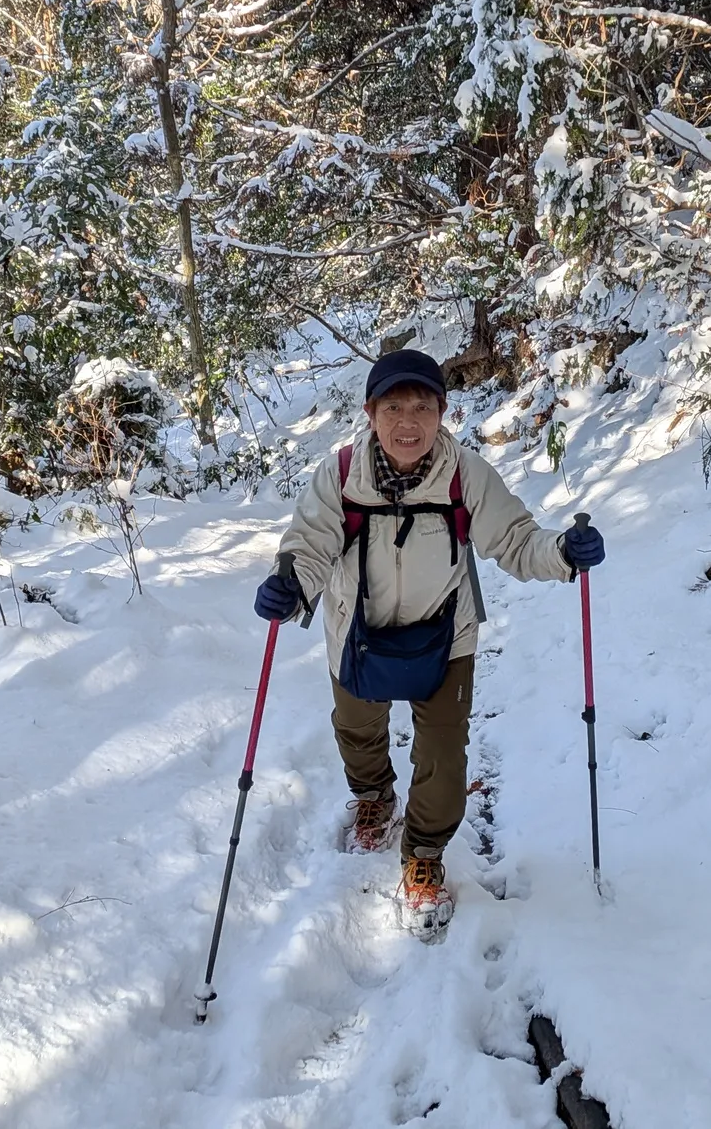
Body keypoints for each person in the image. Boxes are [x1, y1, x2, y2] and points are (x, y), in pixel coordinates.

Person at [252, 348, 605, 933]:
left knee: (443, 757)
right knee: (358, 733)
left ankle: (422, 855)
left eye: (423, 405)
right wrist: (291, 586)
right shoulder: (340, 476)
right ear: (371, 414)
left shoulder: (465, 475)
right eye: (394, 406)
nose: (409, 421)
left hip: (446, 635)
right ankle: (374, 797)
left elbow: (516, 541)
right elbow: (309, 547)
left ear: (442, 412)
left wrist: (563, 554)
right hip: (356, 632)